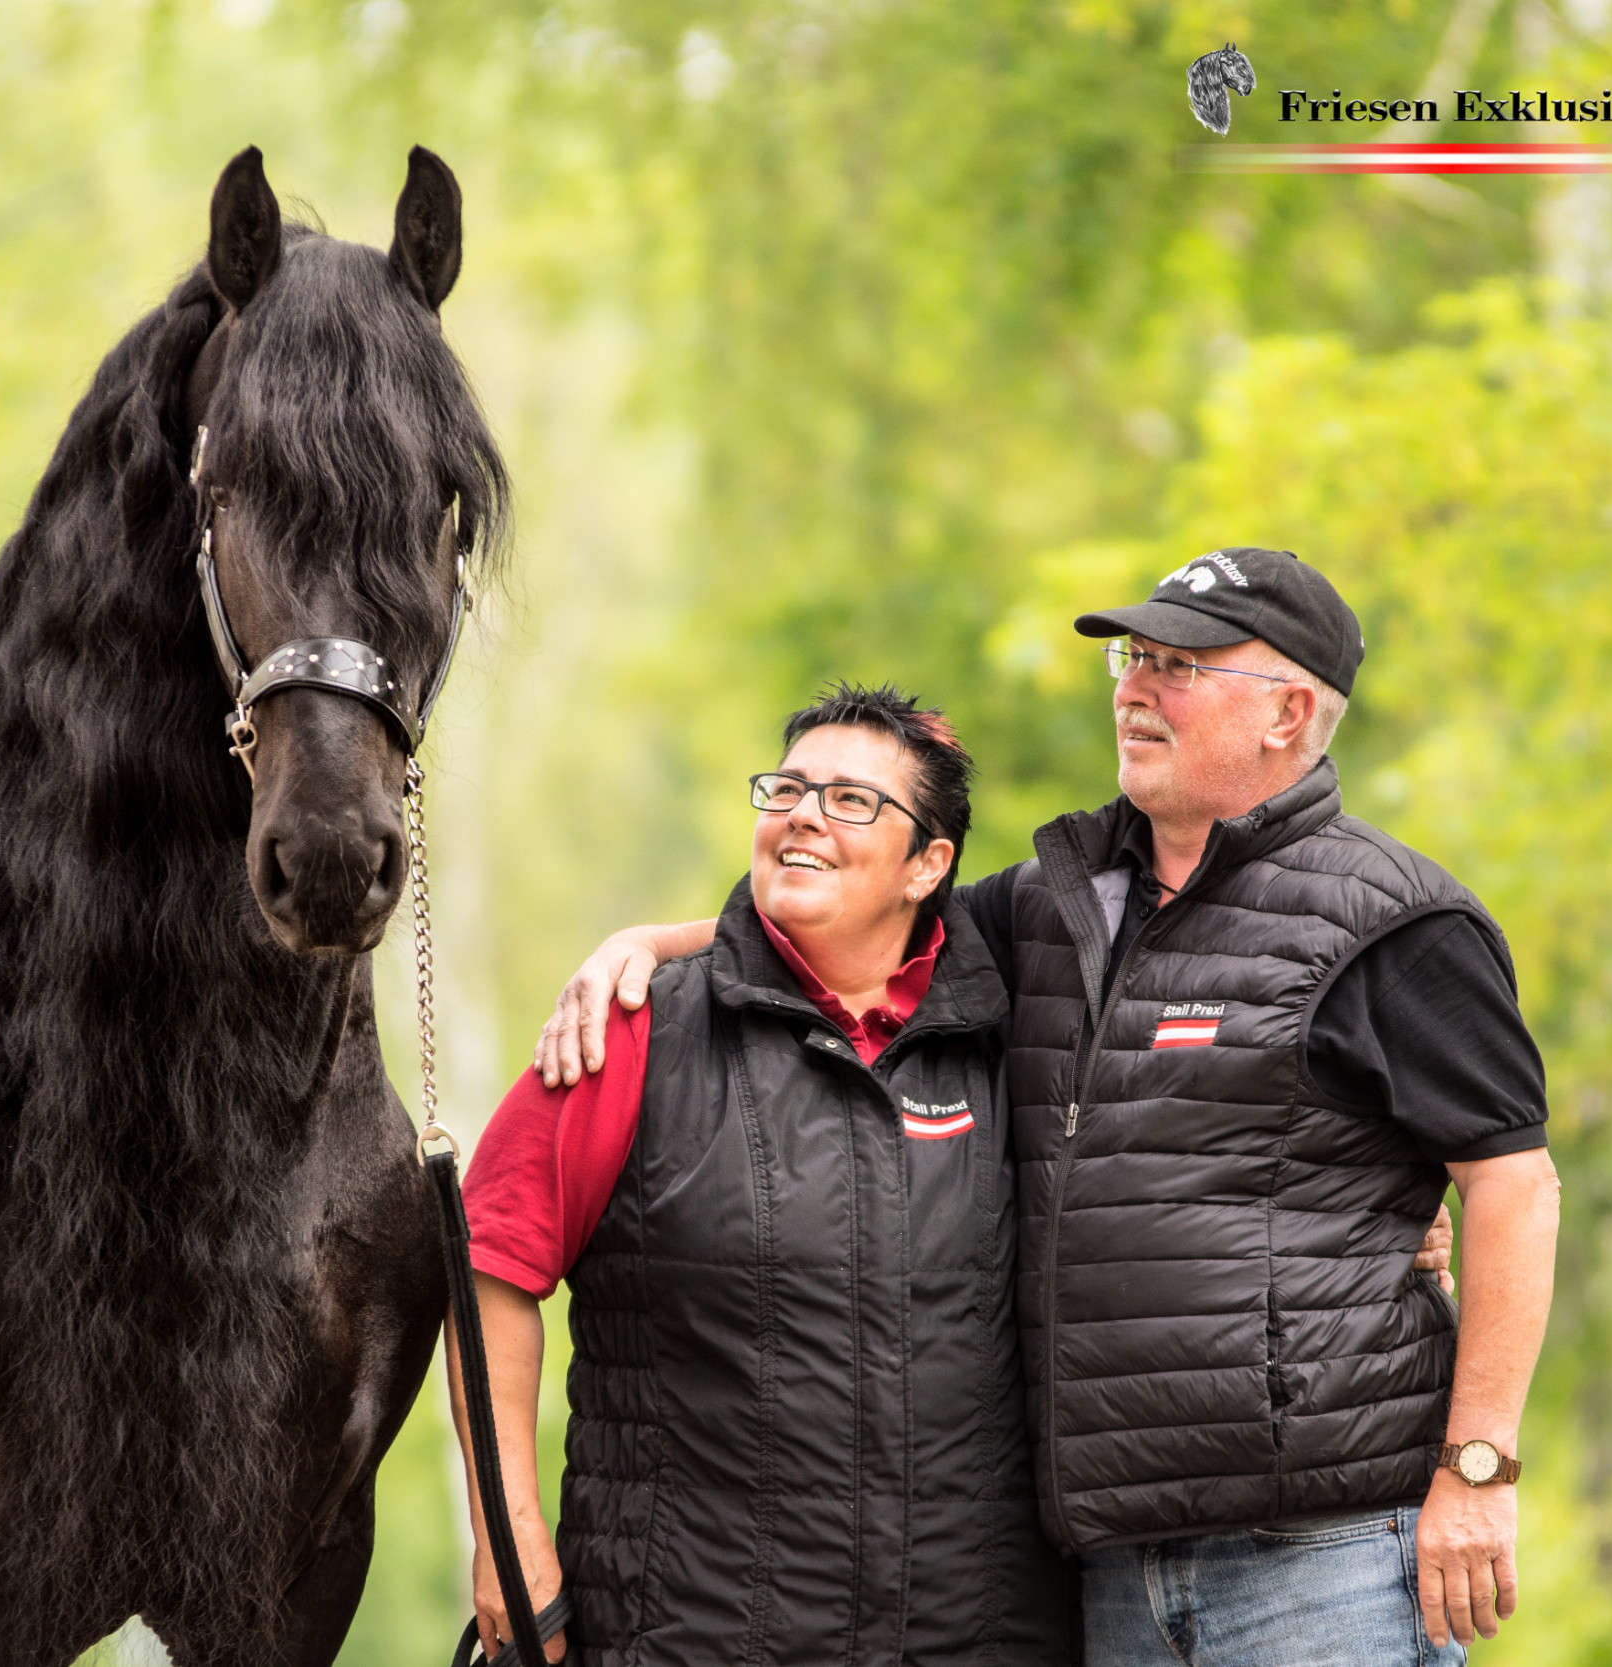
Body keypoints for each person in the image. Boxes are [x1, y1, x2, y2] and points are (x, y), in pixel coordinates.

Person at [538, 549, 1558, 1665]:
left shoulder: (1396, 922)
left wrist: (1478, 1468)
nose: (1136, 689)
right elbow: (865, 917)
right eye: (1134, 659)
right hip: (1111, 1578)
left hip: (1324, 1566)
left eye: (1179, 666)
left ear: (1288, 712)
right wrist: (648, 944)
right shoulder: (1049, 905)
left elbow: (1514, 1185)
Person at [448, 683, 1082, 1666]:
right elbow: (487, 1266)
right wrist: (508, 1528)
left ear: (928, 865)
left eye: (851, 800)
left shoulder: (1020, 1032)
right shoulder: (632, 1026)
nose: (802, 815)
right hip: (689, 1636)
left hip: (981, 1637)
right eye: (787, 789)